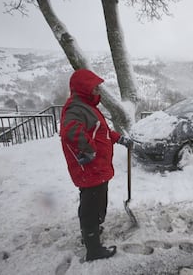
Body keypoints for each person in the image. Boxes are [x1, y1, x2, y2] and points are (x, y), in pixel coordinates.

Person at [60, 69, 133, 261]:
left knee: (98, 202)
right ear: (84, 88)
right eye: (94, 87)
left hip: (98, 168)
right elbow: (71, 131)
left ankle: (91, 230)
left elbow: (102, 132)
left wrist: (119, 139)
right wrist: (89, 149)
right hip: (90, 168)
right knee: (91, 207)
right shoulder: (76, 108)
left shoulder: (87, 106)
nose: (97, 89)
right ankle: (93, 248)